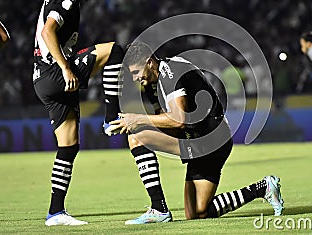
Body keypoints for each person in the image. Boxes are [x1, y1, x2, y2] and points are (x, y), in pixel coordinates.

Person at [108, 41, 284, 224]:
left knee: (137, 138)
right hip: (202, 138)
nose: (135, 78)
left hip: (212, 138)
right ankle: (262, 188)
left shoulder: (171, 74)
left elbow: (178, 119)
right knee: (197, 212)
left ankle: (158, 208)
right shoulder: (152, 82)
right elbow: (163, 117)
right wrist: (137, 123)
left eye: (136, 72)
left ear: (150, 62)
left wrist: (138, 120)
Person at [32, 0, 124, 226]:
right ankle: (111, 117)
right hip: (53, 72)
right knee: (114, 50)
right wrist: (65, 68)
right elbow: (48, 32)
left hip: (42, 80)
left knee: (68, 146)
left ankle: (55, 212)